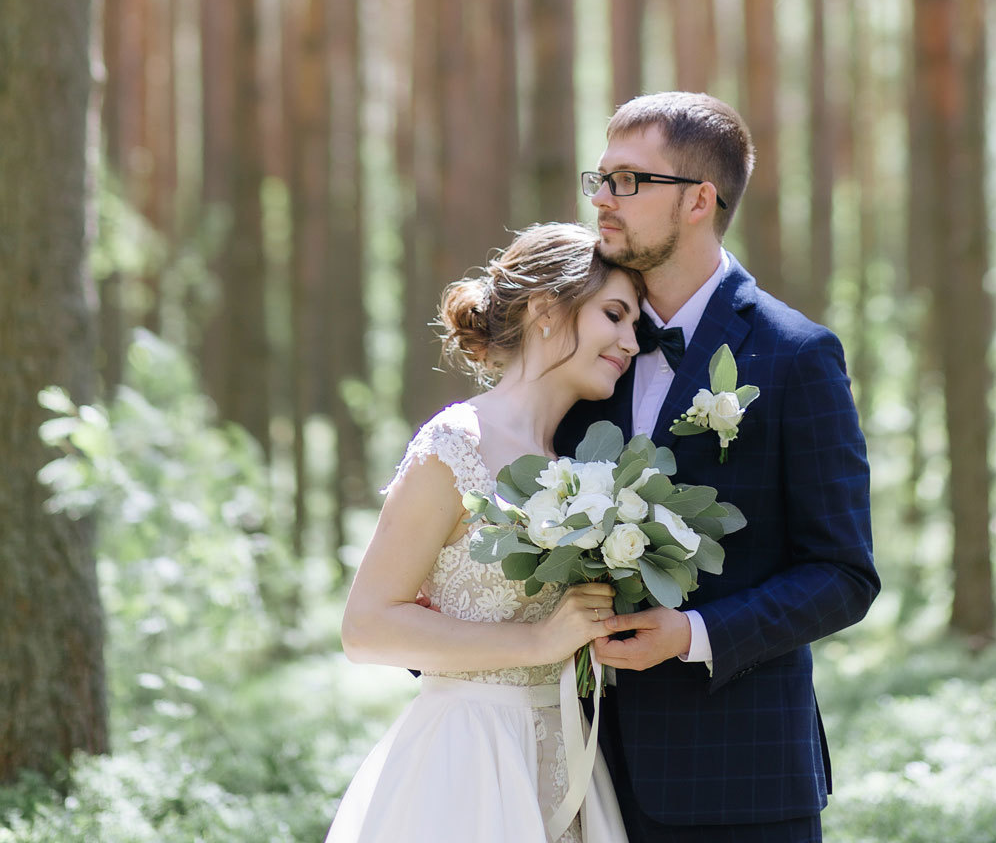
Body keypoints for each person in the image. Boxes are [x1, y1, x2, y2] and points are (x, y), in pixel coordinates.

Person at [558, 91, 879, 843]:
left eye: (629, 181)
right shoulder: (582, 341)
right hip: (577, 771)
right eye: (599, 178)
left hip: (740, 781)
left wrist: (695, 632)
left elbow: (843, 574)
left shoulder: (797, 356)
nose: (602, 200)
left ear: (700, 199)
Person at [326, 222, 644, 843]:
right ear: (547, 310)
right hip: (466, 762)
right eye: (615, 315)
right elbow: (364, 627)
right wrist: (538, 642)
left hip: (566, 758)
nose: (631, 342)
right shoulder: (454, 446)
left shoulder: (582, 468)